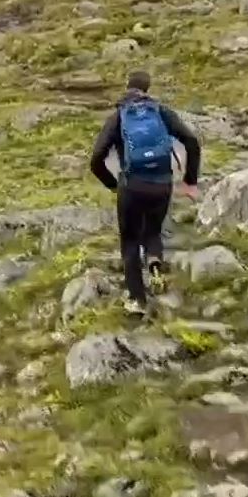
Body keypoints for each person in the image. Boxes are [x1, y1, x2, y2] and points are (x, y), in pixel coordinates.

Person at [88, 70, 202, 315]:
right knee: (152, 228)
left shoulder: (119, 116)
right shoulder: (160, 112)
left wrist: (112, 184)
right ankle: (154, 263)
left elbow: (97, 158)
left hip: (131, 185)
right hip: (161, 184)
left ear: (127, 87)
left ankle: (136, 299)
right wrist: (190, 180)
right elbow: (191, 141)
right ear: (147, 89)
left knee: (129, 241)